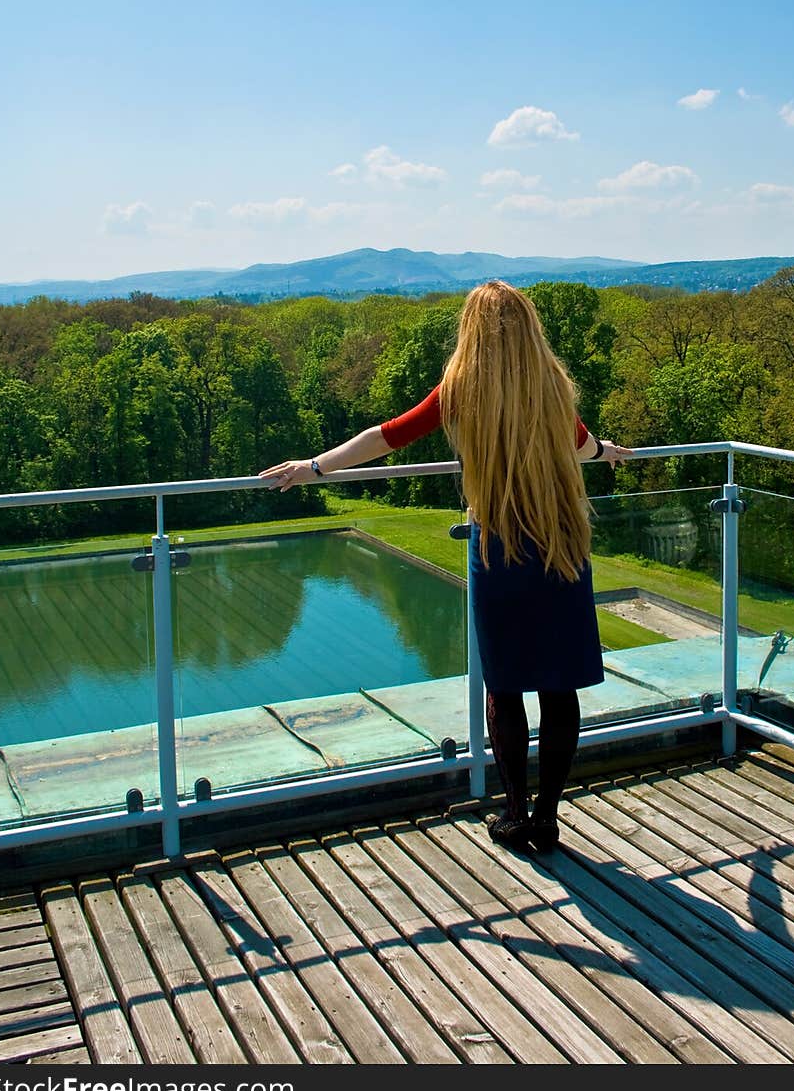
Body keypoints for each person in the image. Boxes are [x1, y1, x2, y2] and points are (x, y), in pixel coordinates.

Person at [260, 280, 633, 851]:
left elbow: (386, 437)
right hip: (561, 542)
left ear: (472, 333)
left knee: (504, 686)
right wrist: (609, 452)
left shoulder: (462, 388)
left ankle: (513, 813)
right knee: (561, 689)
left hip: (500, 544)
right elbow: (581, 446)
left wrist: (313, 466)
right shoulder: (552, 386)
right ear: (530, 327)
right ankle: (548, 817)